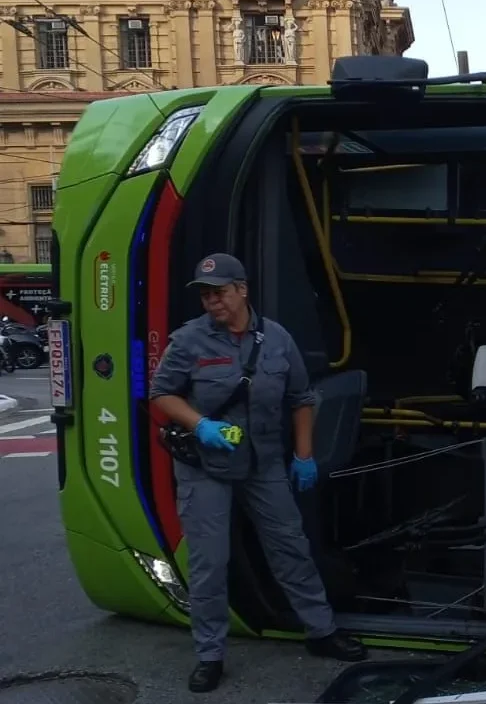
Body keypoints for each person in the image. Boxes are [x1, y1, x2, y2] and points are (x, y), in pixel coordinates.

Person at [149, 253, 366, 693]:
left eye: (220, 293)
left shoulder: (277, 339)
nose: (213, 303)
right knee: (210, 564)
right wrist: (201, 425)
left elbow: (302, 398)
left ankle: (321, 632)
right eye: (206, 296)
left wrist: (303, 456)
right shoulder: (189, 341)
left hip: (263, 461)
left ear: (242, 290)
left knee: (291, 548)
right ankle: (210, 654)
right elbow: (160, 393)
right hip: (205, 466)